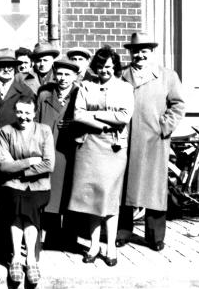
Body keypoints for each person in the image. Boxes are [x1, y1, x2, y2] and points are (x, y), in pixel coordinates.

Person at [117, 33, 185, 251]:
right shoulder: (121, 75)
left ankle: (155, 237)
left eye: (144, 50)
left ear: (152, 52)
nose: (140, 55)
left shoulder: (167, 76)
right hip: (125, 139)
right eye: (136, 51)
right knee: (123, 186)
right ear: (130, 52)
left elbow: (178, 105)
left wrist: (163, 127)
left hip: (153, 141)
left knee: (154, 190)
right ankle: (123, 232)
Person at [68, 46, 134, 266]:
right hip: (88, 147)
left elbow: (124, 116)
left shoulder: (125, 87)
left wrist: (94, 114)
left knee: (110, 198)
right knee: (93, 199)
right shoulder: (86, 86)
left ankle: (111, 247)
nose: (104, 70)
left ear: (114, 67)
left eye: (108, 66)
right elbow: (78, 114)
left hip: (113, 148)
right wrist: (103, 122)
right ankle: (94, 245)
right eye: (100, 66)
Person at [0, 95, 54, 286]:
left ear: (34, 112)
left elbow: (48, 164)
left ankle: (26, 258)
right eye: (19, 112)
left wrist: (20, 171)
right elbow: (3, 166)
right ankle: (23, 259)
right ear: (14, 112)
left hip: (39, 186)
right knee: (17, 202)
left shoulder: (44, 131)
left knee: (27, 203)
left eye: (27, 112)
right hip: (12, 185)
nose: (23, 116)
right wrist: (29, 162)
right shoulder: (6, 132)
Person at [36, 59, 80, 249]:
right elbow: (36, 122)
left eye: (67, 75)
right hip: (49, 149)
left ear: (75, 77)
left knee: (70, 192)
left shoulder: (80, 94)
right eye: (60, 74)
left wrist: (74, 125)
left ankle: (70, 239)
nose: (63, 78)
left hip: (69, 150)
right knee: (52, 193)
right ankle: (52, 237)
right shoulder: (45, 94)